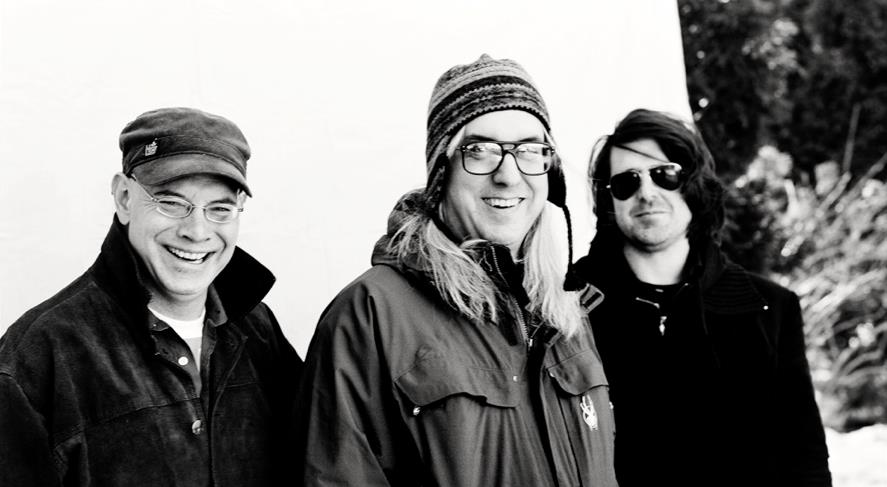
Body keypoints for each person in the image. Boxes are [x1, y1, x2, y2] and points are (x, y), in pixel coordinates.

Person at [295, 54, 617, 486]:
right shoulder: (369, 315)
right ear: (441, 173)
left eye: (530, 150)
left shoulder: (565, 312)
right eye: (480, 151)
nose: (509, 175)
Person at [0, 107, 302, 486]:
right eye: (171, 203)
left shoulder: (259, 331)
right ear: (124, 197)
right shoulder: (40, 355)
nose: (197, 231)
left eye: (220, 209)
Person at [574, 108, 832, 486]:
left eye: (665, 174)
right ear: (609, 198)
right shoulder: (569, 308)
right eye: (626, 182)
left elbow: (804, 456)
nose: (647, 192)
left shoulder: (770, 308)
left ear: (694, 184)